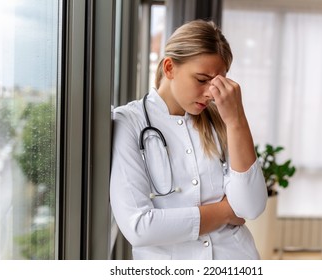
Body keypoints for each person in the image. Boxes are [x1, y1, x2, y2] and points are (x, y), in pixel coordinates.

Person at [110, 19, 267, 260]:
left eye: (216, 83)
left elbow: (251, 207)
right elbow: (139, 227)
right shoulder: (130, 122)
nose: (209, 93)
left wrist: (237, 122)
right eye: (202, 79)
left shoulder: (223, 120)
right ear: (170, 68)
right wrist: (224, 211)